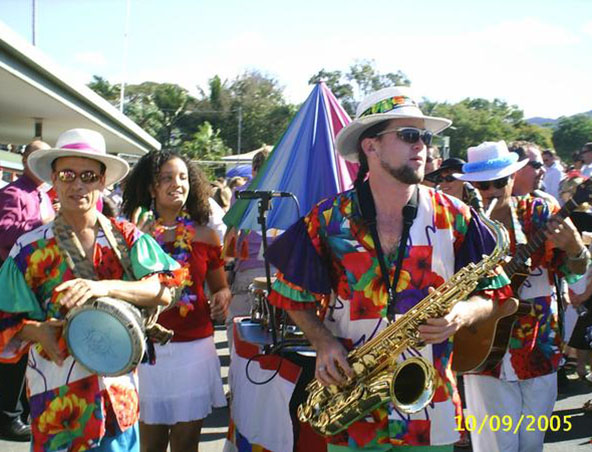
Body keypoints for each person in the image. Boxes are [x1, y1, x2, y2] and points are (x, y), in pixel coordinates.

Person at [265, 87, 512, 451]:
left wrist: (461, 313)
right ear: (371, 146)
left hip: (432, 406)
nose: (422, 147)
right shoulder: (327, 218)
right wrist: (323, 342)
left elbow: (496, 295)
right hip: (351, 404)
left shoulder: (456, 216)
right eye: (409, 135)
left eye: (425, 137)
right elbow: (289, 296)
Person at [0, 128, 183, 452]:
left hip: (118, 396)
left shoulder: (125, 237)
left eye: (88, 175)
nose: (77, 184)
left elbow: (164, 287)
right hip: (56, 401)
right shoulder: (28, 248)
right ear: (54, 180)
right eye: (67, 174)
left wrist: (102, 287)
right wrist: (36, 332)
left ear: (101, 181)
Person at [455, 140, 589, 452]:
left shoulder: (541, 213)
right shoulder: (462, 224)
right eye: (483, 185)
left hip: (538, 350)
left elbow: (578, 283)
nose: (492, 191)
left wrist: (575, 248)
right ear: (472, 186)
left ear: (512, 179)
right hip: (482, 352)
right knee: (494, 446)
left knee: (531, 443)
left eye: (499, 182)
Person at [121, 149, 230, 452]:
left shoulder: (207, 235)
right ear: (151, 187)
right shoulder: (131, 234)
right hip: (146, 350)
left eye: (182, 177)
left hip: (193, 349)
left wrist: (222, 295)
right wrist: (136, 240)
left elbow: (219, 285)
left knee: (186, 444)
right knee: (150, 444)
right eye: (166, 178)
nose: (177, 183)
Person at [0, 140, 54, 442]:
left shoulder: (40, 194)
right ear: (24, 160)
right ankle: (8, 417)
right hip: (14, 289)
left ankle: (17, 413)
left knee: (23, 354)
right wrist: (43, 224)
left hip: (33, 288)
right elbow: (5, 232)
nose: (40, 164)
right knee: (12, 353)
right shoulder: (14, 193)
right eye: (35, 157)